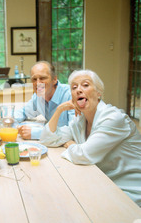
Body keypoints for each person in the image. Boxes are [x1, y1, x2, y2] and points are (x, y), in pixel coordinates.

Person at [40, 69, 141, 206]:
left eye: (85, 85)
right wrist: (59, 110)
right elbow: (48, 139)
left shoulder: (113, 118)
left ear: (99, 93)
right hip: (103, 182)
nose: (78, 90)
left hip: (128, 191)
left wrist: (71, 145)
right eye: (74, 87)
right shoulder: (79, 120)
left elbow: (84, 154)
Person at [14, 61, 75, 139]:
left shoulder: (71, 95)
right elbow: (23, 112)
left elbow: (74, 131)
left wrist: (36, 133)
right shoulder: (38, 97)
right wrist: (9, 121)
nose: (38, 83)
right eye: (34, 79)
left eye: (42, 78)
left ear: (54, 79)